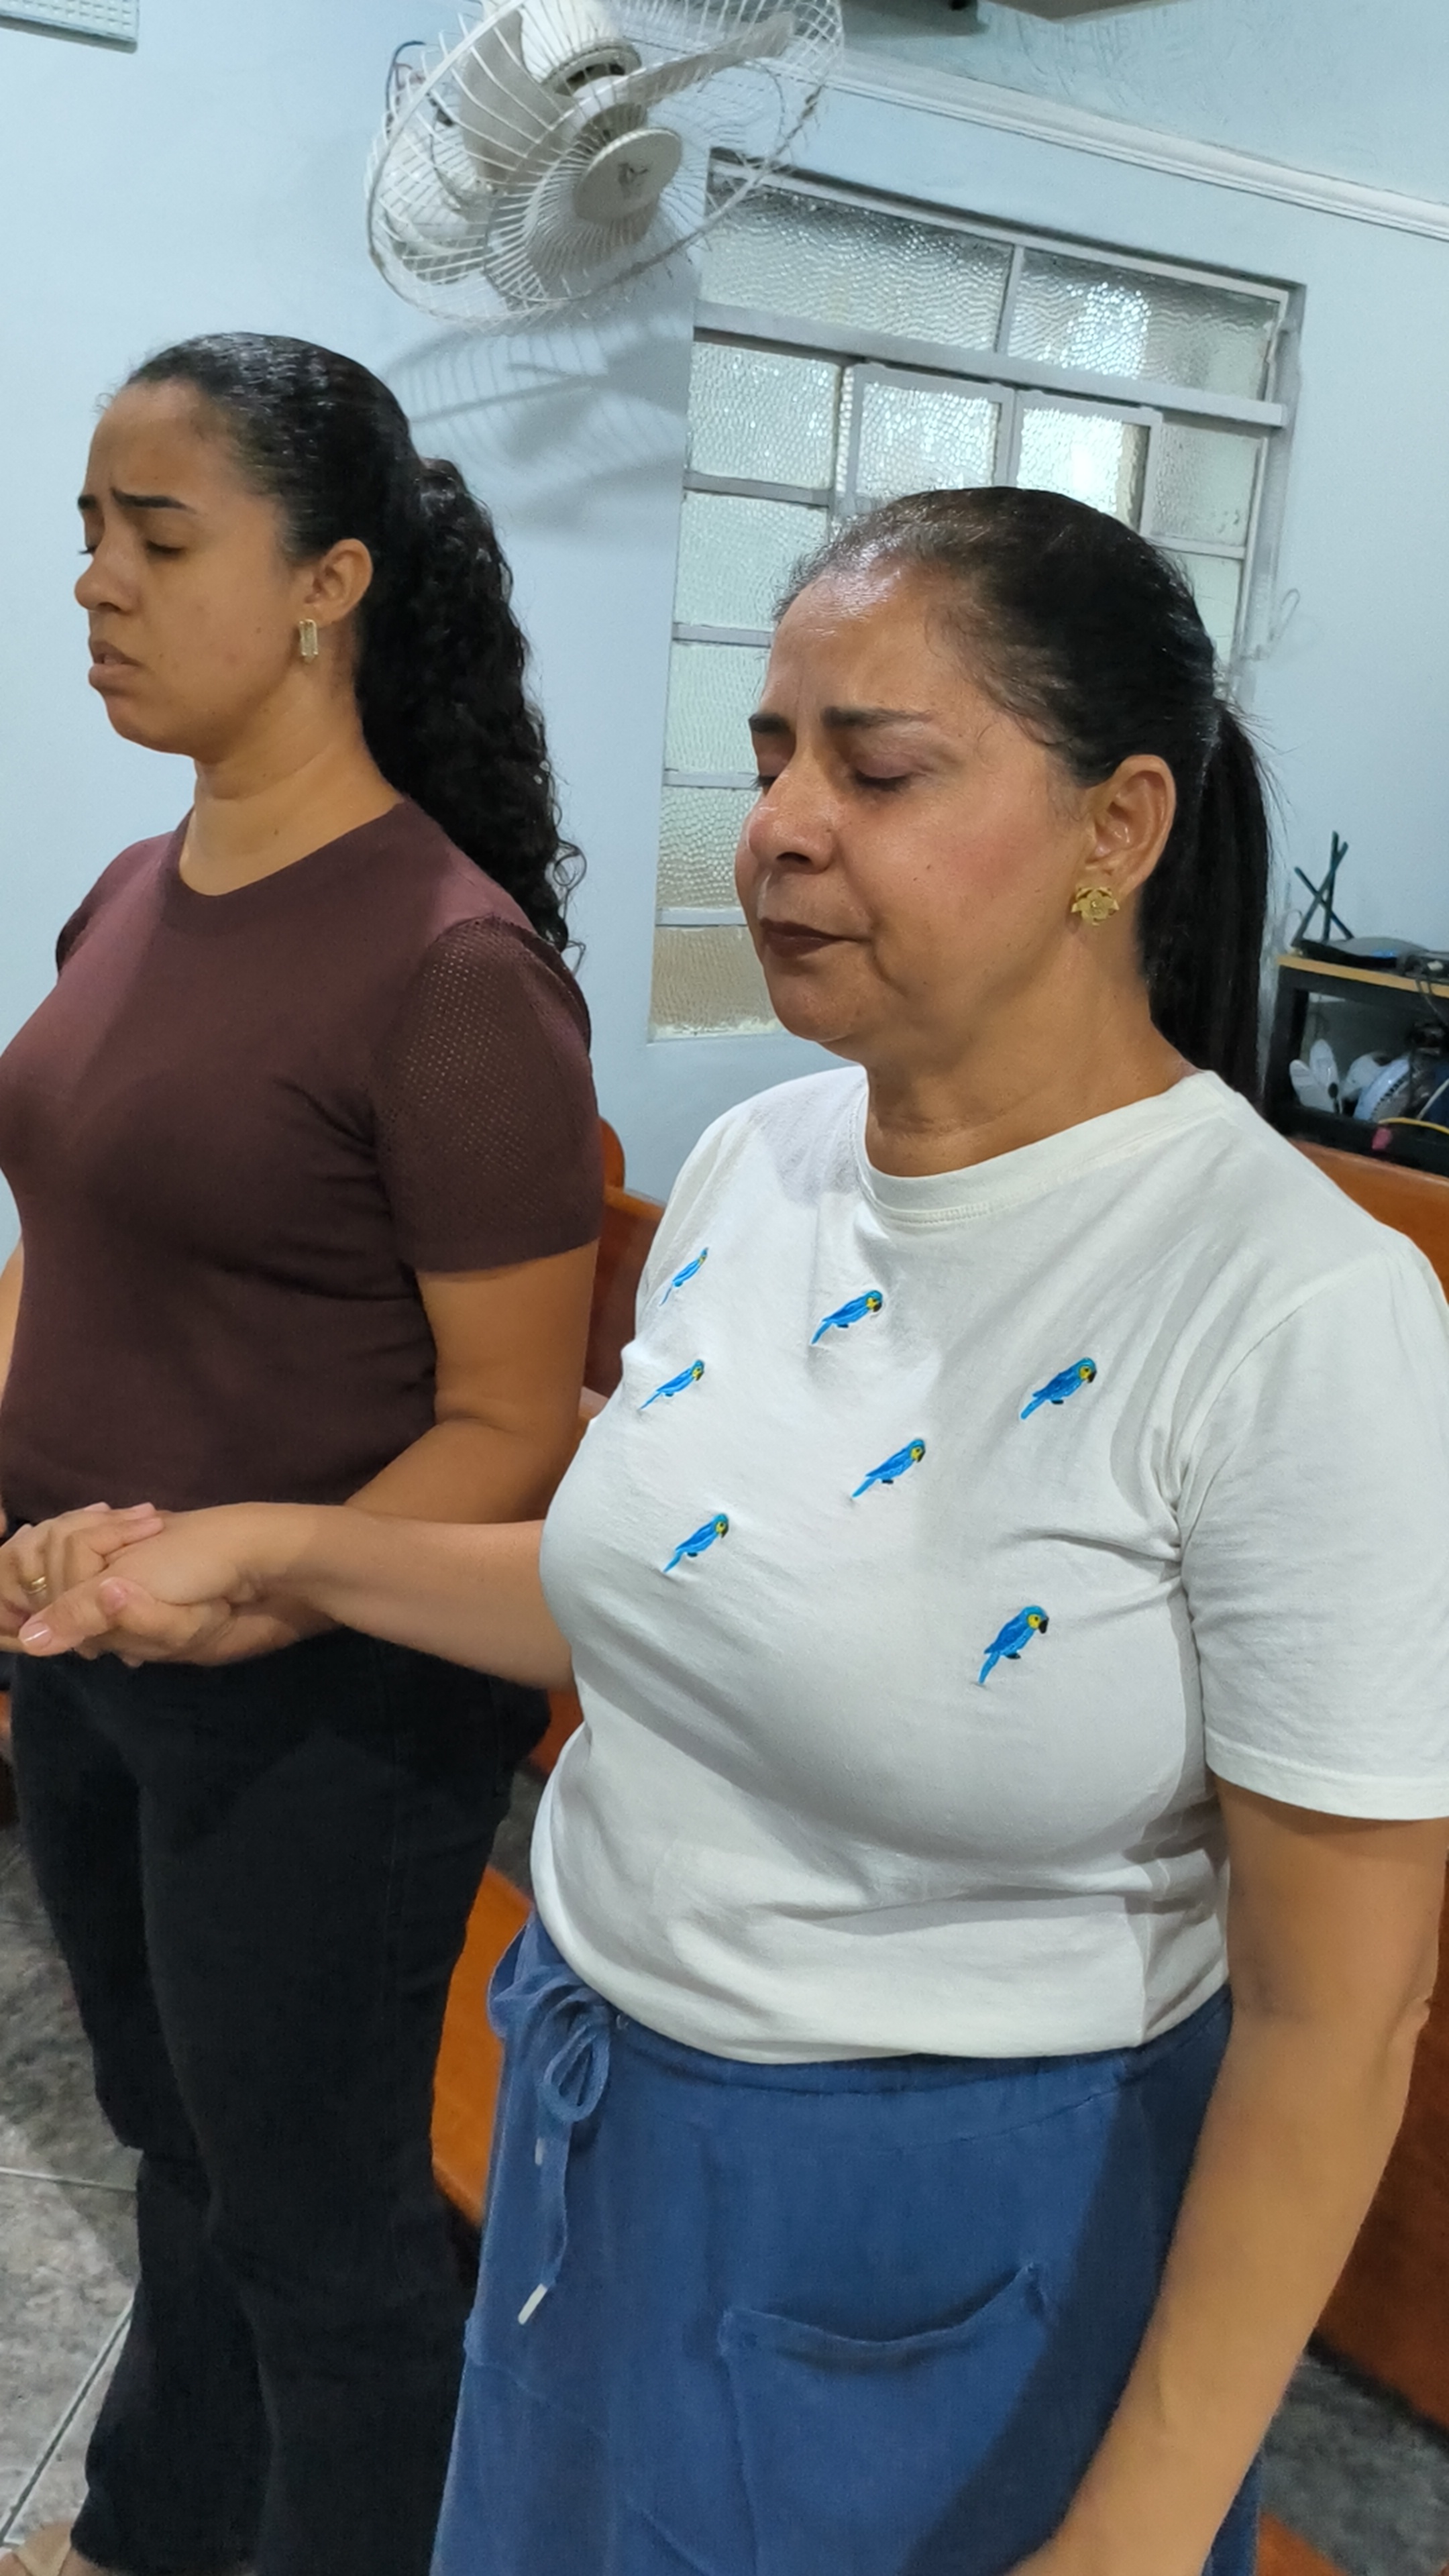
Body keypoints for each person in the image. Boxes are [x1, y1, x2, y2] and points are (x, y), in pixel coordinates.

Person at [9, 486, 1449, 2576]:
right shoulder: (766, 1163)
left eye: (878, 768)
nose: (779, 828)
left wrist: (1134, 2534)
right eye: (771, 758)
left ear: (1118, 828)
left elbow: (1338, 2019)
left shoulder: (1292, 1309)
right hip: (602, 2141)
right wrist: (279, 1553)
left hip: (945, 2245)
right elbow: (668, 1604)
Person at [0, 335, 601, 2576]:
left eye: (160, 539)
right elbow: (86, 1249)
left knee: (322, 2226)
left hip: (319, 1708)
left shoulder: (451, 971)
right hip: (96, 1654)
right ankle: (155, 2531)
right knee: (182, 2144)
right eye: (89, 531)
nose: (97, 582)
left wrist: (261, 1577)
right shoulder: (132, 891)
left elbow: (513, 1426)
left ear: (331, 582)